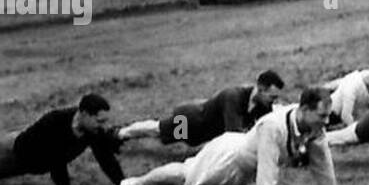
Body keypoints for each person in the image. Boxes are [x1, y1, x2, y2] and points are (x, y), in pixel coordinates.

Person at [117, 86, 343, 185]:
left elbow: (323, 167)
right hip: (228, 159)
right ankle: (133, 184)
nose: (325, 122)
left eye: (326, 116)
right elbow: (267, 178)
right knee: (187, 173)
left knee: (187, 172)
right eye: (321, 116)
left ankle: (138, 184)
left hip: (243, 163)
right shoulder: (273, 127)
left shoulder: (314, 128)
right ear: (304, 110)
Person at [117, 70, 284, 145]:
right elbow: (233, 135)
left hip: (203, 133)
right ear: (261, 89)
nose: (273, 101)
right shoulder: (233, 96)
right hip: (189, 122)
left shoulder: (263, 105)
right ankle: (121, 133)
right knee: (157, 130)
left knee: (158, 132)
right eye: (272, 97)